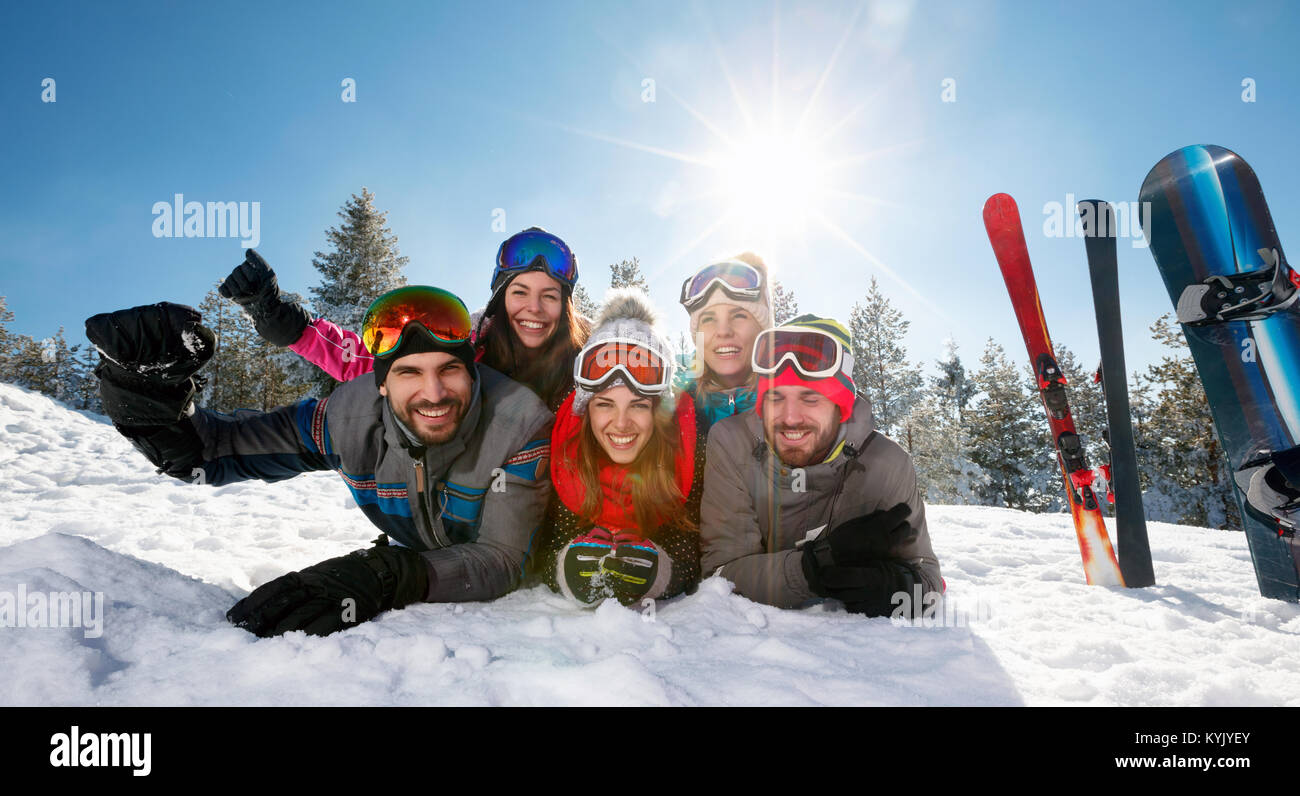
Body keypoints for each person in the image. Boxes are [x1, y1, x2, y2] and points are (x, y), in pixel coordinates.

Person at [84, 288, 554, 637]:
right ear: (382, 385)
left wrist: (395, 575)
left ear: (472, 371)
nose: (433, 394)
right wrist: (144, 391)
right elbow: (210, 452)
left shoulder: (519, 425)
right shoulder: (345, 419)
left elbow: (504, 558)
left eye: (449, 370)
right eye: (410, 373)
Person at [700, 314, 942, 616]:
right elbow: (720, 575)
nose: (790, 418)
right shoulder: (734, 444)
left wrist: (899, 587)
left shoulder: (886, 465)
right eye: (775, 397)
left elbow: (930, 579)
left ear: (840, 406)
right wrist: (814, 567)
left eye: (810, 398)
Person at [220, 227, 590, 412]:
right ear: (500, 298)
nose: (534, 309)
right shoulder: (467, 346)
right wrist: (289, 323)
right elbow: (375, 363)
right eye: (520, 292)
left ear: (567, 307)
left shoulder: (593, 360)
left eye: (550, 296)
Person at [534, 288, 703, 606]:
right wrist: (569, 566)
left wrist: (659, 571)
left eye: (638, 406)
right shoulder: (568, 453)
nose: (621, 423)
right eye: (605, 405)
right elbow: (549, 542)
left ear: (658, 412)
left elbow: (691, 543)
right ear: (586, 409)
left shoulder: (686, 451)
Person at [676, 252, 772, 433]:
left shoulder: (794, 405)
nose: (723, 331)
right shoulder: (675, 409)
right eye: (708, 319)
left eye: (738, 316)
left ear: (762, 331)